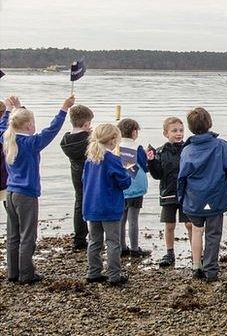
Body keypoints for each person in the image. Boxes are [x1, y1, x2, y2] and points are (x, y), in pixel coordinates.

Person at [1, 94, 75, 284]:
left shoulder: (7, 138)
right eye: (33, 122)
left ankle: (13, 272)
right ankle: (26, 274)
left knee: (13, 235)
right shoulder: (30, 144)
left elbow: (4, 126)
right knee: (27, 236)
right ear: (28, 126)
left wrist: (13, 109)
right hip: (26, 194)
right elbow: (51, 130)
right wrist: (63, 109)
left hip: (10, 193)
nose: (35, 125)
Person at [178, 107, 227, 282]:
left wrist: (181, 198)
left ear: (190, 127)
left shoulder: (187, 150)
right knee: (213, 233)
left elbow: (182, 176)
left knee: (197, 231)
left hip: (194, 198)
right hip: (215, 196)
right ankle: (210, 269)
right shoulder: (221, 146)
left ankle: (197, 266)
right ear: (209, 123)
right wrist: (223, 179)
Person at [82, 124, 132, 285]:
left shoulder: (90, 159)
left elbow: (83, 180)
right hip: (109, 206)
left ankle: (93, 271)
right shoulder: (112, 159)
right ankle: (114, 275)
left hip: (92, 205)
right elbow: (124, 182)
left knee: (94, 240)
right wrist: (127, 171)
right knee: (112, 242)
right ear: (112, 140)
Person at [147, 117, 191, 267]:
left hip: (186, 194)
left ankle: (196, 251)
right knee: (169, 225)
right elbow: (157, 175)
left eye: (181, 130)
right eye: (174, 131)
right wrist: (151, 162)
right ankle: (170, 252)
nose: (178, 134)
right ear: (166, 133)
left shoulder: (188, 149)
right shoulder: (161, 151)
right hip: (168, 193)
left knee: (190, 224)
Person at [60, 104, 94, 250]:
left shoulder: (66, 140)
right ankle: (94, 234)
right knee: (92, 202)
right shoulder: (89, 141)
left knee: (79, 202)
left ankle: (79, 237)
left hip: (75, 173)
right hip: (89, 174)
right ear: (86, 124)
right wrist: (92, 136)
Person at [117, 118, 150, 257]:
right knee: (133, 219)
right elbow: (145, 166)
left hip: (120, 187)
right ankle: (135, 248)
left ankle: (121, 247)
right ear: (134, 132)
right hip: (135, 187)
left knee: (121, 219)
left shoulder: (115, 147)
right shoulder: (137, 148)